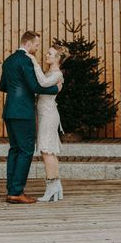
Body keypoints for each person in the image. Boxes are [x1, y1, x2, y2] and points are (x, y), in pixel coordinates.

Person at [0, 31, 61, 204]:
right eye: (36, 45)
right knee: (26, 151)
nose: (37, 48)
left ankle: (12, 189)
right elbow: (35, 86)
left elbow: (2, 85)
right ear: (28, 44)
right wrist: (56, 89)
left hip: (9, 111)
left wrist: (17, 86)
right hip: (23, 112)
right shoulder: (26, 60)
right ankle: (17, 192)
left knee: (14, 150)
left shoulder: (9, 60)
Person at [27, 45, 68, 202]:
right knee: (48, 151)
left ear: (58, 58)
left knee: (46, 150)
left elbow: (43, 83)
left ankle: (52, 187)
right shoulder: (50, 72)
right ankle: (56, 186)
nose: (46, 54)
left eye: (50, 53)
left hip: (49, 115)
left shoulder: (57, 74)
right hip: (44, 114)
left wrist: (34, 62)